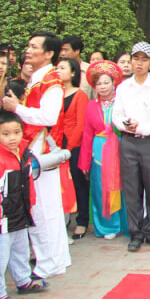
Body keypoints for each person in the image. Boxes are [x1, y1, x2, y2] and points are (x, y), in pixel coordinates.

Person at [1, 31, 71, 279]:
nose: (28, 50)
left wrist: (16, 108)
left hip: (40, 152)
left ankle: (48, 264)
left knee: (42, 210)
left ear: (49, 53)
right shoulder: (39, 79)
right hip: (37, 151)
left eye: (33, 47)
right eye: (28, 46)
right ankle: (56, 260)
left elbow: (48, 117)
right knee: (46, 209)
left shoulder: (50, 82)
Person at [0, 112, 48, 299]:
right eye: (6, 134)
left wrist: (30, 207)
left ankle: (23, 280)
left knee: (20, 251)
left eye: (16, 132)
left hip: (19, 214)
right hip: (1, 220)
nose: (12, 138)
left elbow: (29, 184)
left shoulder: (23, 155)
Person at [113, 42, 150, 252]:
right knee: (131, 190)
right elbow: (116, 115)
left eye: (143, 60)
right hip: (128, 142)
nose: (139, 63)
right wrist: (127, 125)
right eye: (135, 59)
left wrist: (142, 128)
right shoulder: (122, 87)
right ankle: (135, 232)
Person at [78, 61, 128, 239]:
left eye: (106, 82)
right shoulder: (91, 105)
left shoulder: (123, 102)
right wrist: (84, 162)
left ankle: (125, 223)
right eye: (98, 83)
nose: (103, 87)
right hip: (98, 150)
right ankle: (108, 226)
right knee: (101, 188)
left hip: (120, 147)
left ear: (114, 83)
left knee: (122, 186)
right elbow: (86, 134)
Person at [54, 58, 89, 240]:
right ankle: (62, 221)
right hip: (55, 143)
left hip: (74, 145)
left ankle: (82, 221)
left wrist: (68, 147)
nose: (58, 70)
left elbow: (80, 124)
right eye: (57, 67)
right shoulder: (54, 93)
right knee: (59, 185)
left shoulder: (80, 95)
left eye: (62, 68)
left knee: (77, 182)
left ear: (73, 73)